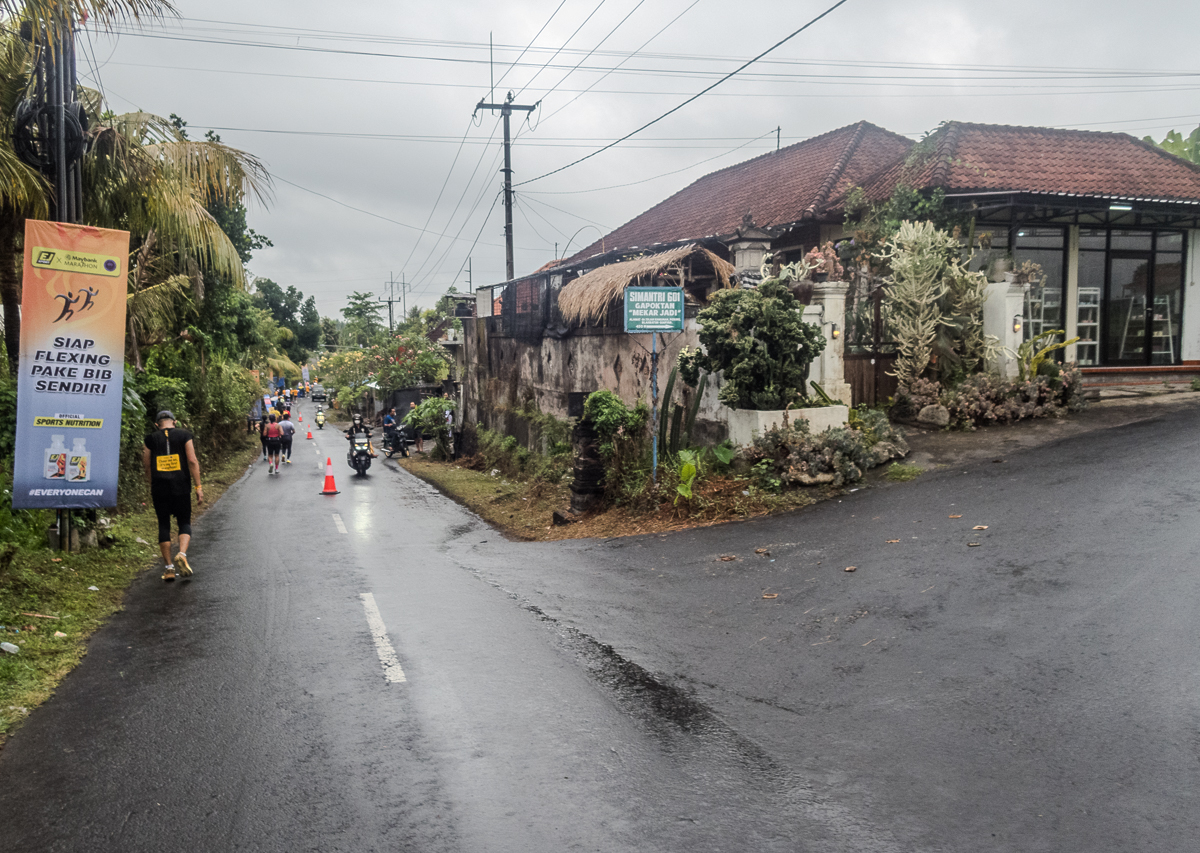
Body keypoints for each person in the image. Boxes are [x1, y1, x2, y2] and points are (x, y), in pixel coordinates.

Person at [143, 411, 204, 582]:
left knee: (164, 524)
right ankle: (182, 554)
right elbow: (192, 460)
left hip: (159, 488)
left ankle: (169, 568)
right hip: (181, 486)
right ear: (174, 422)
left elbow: (147, 465)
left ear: (157, 424)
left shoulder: (150, 439)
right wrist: (198, 486)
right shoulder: (185, 435)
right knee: (184, 521)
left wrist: (151, 484)